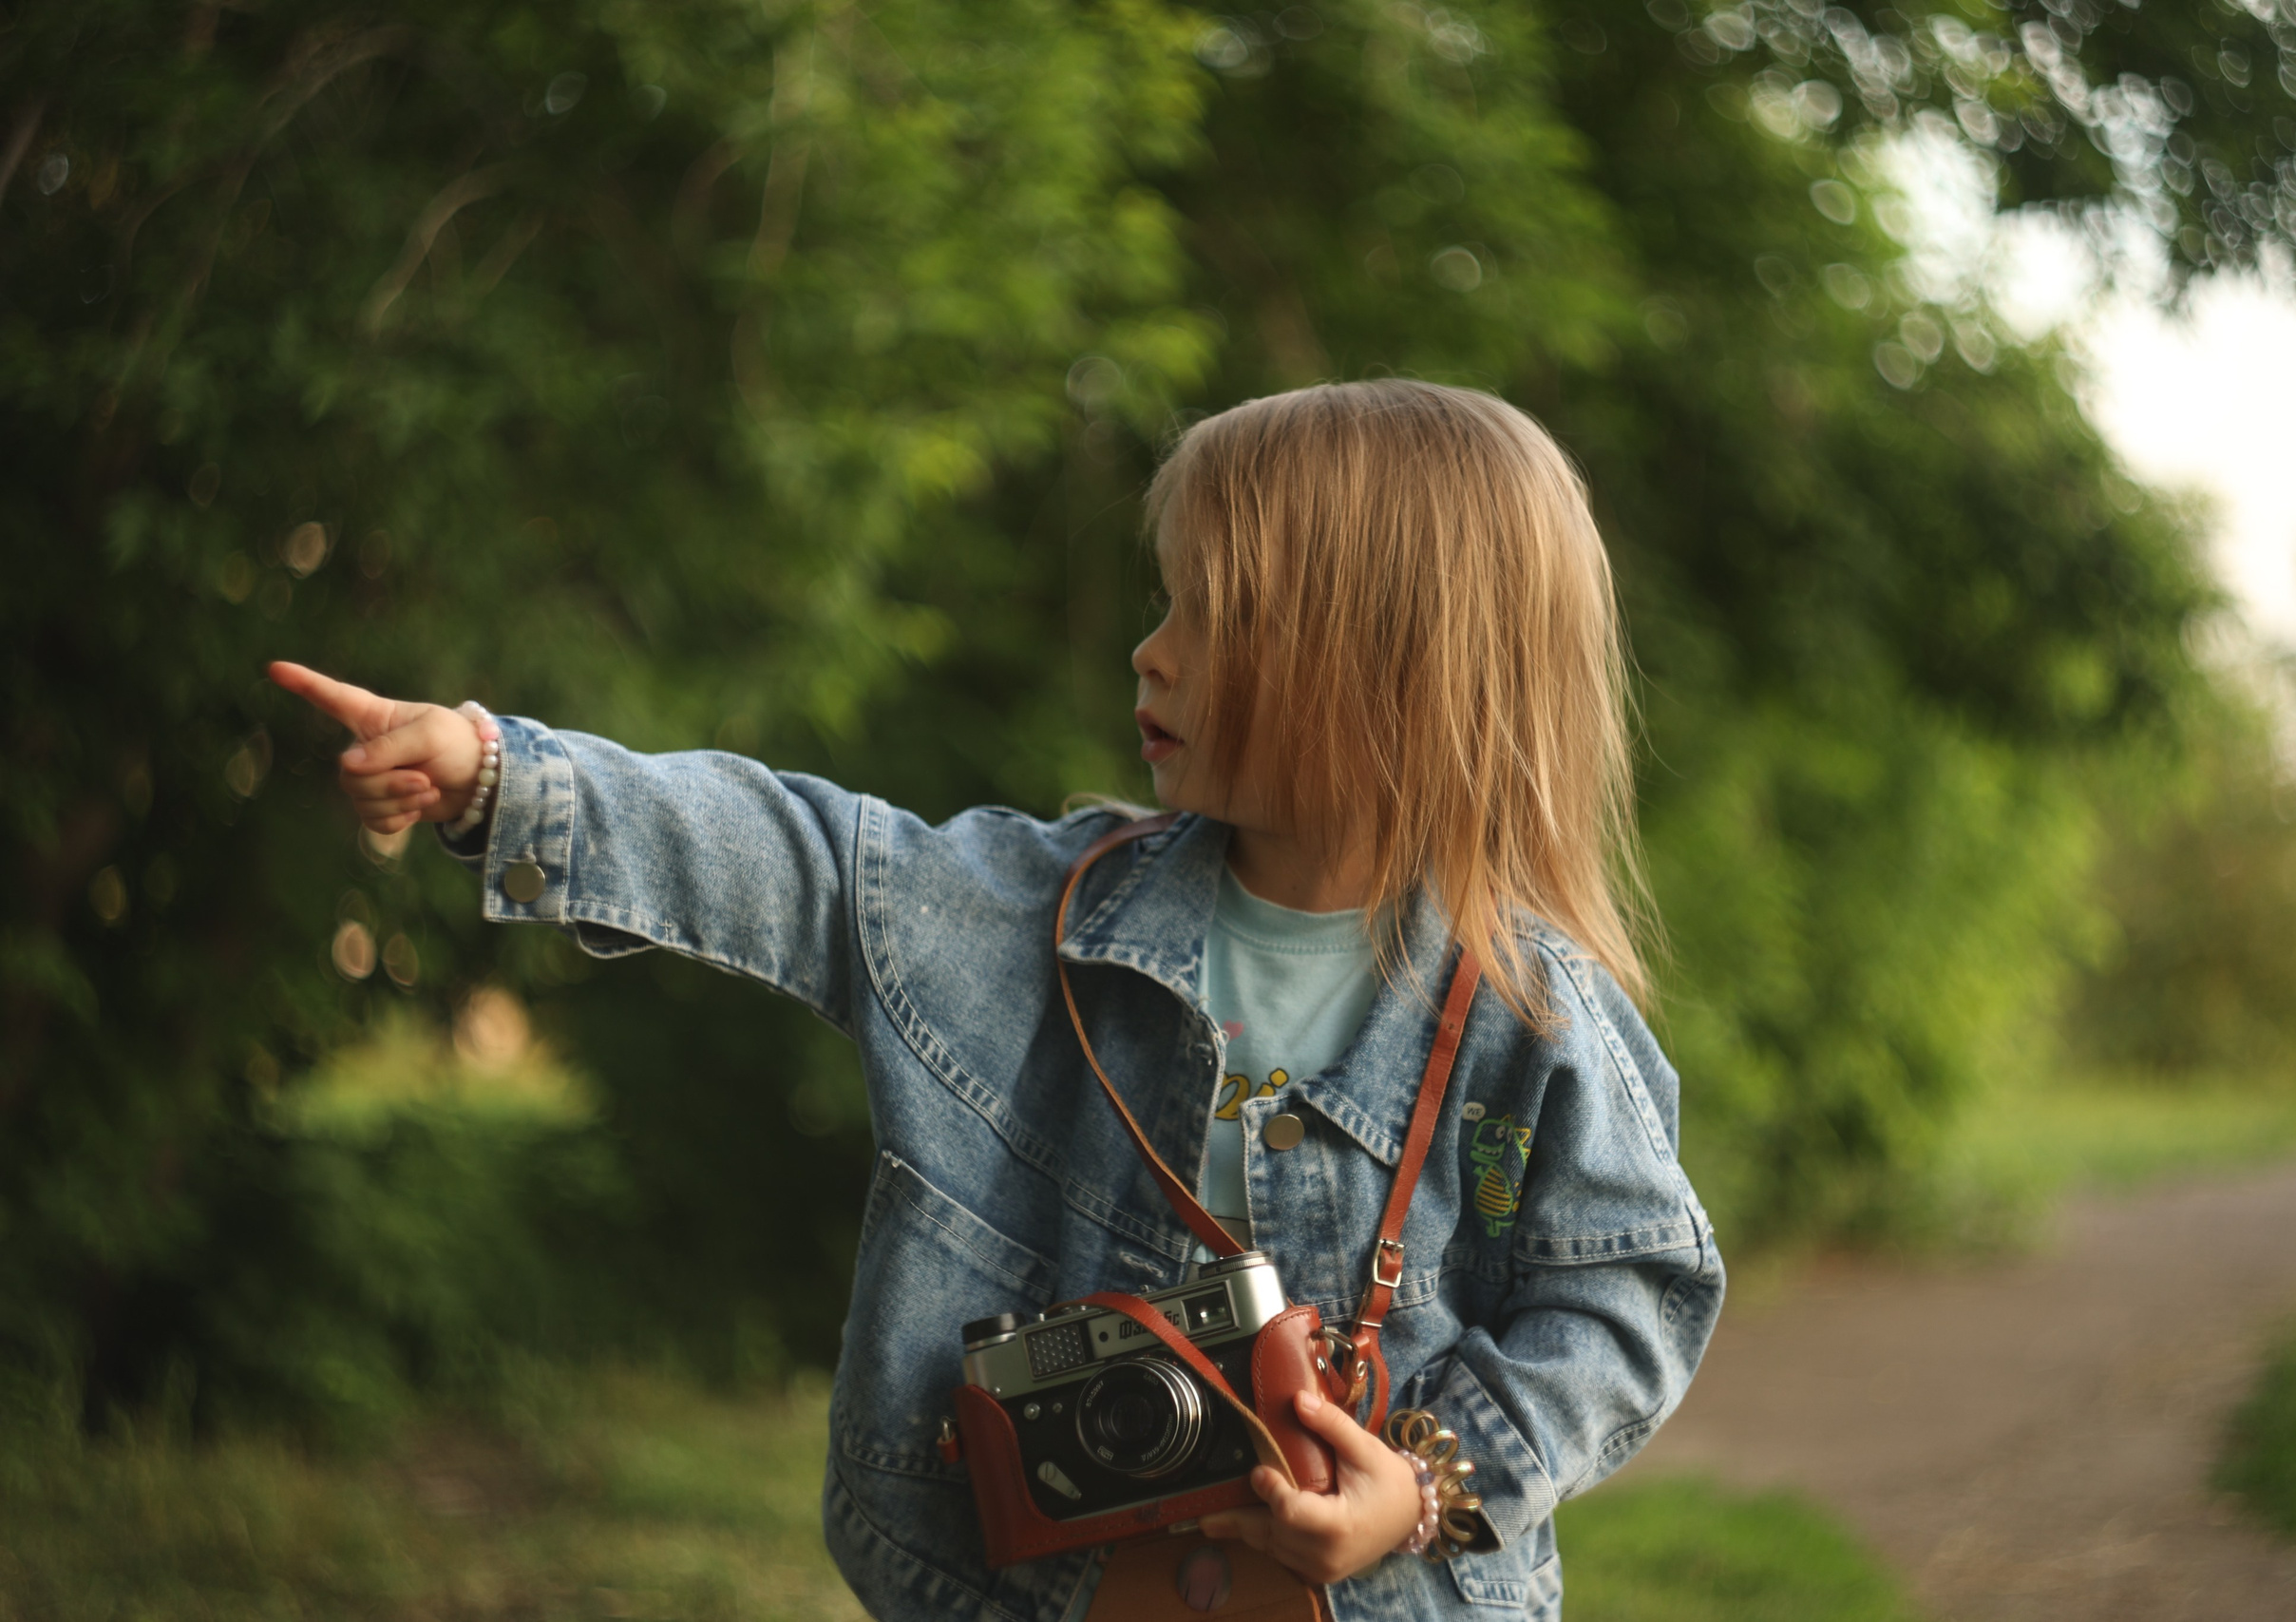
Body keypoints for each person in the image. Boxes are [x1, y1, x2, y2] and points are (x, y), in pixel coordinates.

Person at [270, 378, 1721, 1621]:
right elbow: (815, 862)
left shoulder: (1534, 1020)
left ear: (1375, 671)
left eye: (1206, 614)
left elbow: (1626, 1292)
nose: (1149, 649)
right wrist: (506, 775)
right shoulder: (1043, 918)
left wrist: (1426, 1482)